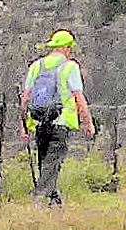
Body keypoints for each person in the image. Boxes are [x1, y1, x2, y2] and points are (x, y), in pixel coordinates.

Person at [22, 30, 95, 206]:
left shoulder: (36, 66)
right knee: (52, 163)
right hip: (61, 122)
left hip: (39, 122)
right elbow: (79, 98)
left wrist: (23, 126)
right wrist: (88, 123)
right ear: (66, 48)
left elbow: (25, 98)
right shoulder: (70, 67)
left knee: (45, 162)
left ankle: (54, 203)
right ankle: (39, 200)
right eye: (70, 48)